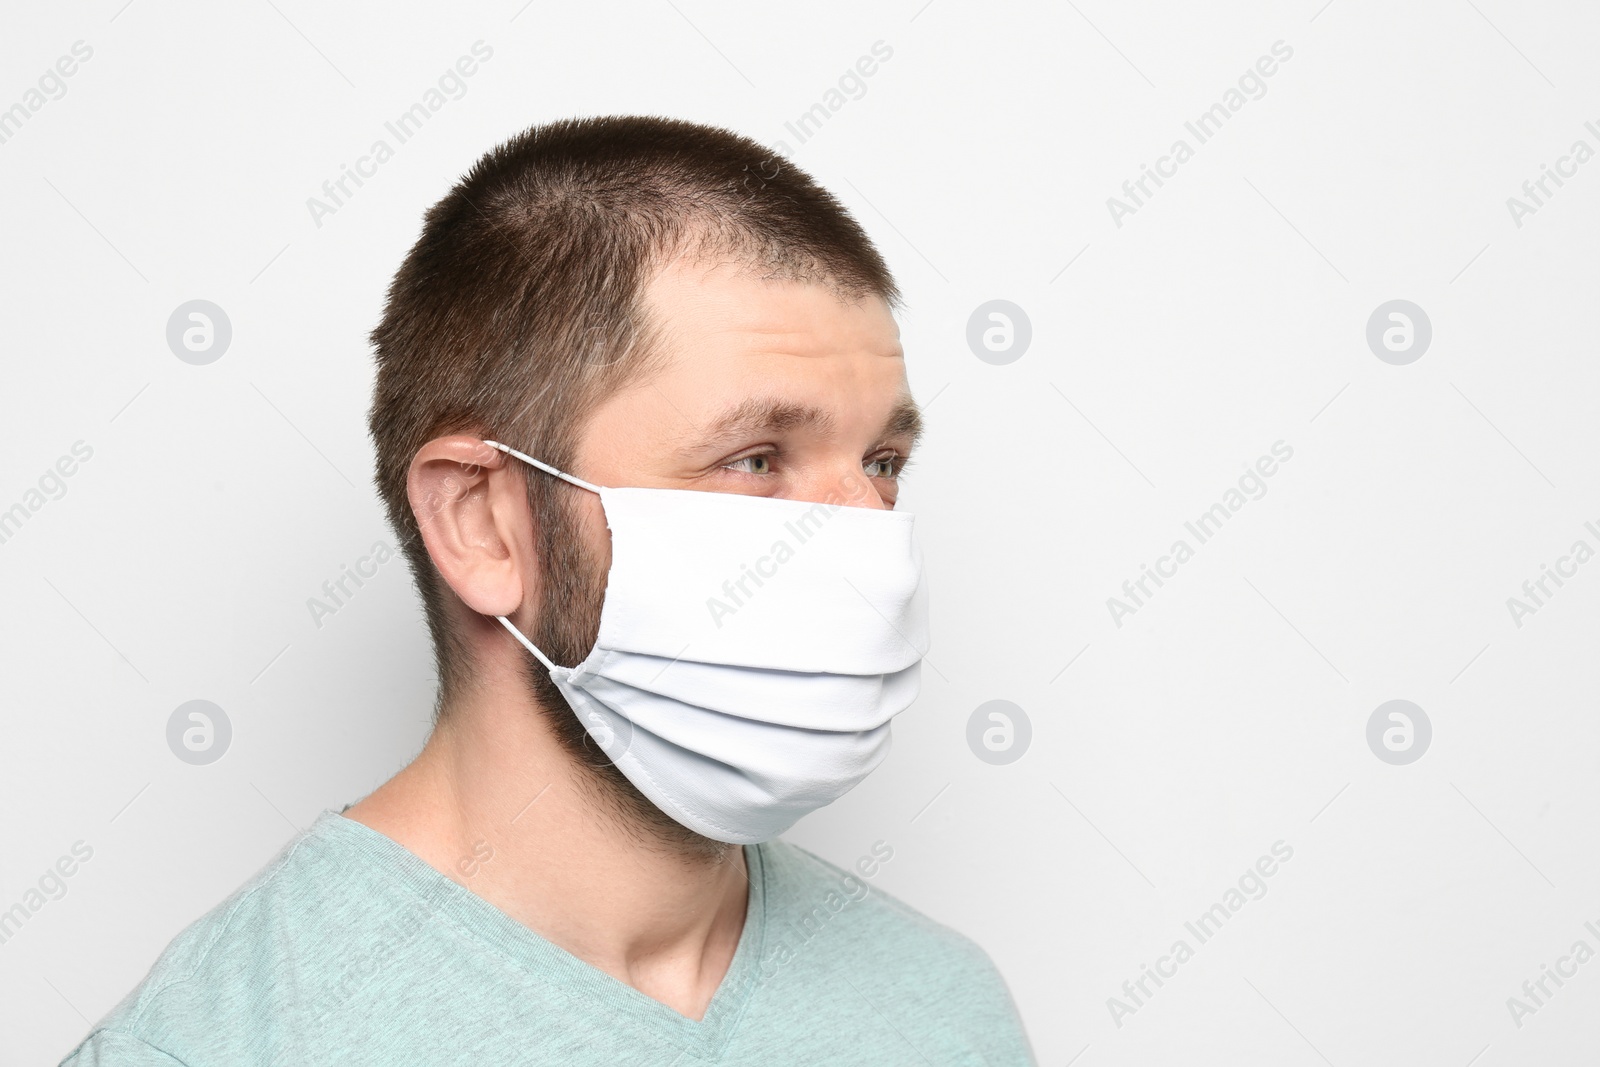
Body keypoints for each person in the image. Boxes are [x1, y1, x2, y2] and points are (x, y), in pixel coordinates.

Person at [63, 115, 1035, 1066]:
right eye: (753, 457)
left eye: (881, 459)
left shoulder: (944, 1008)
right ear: (481, 524)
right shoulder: (216, 1043)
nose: (867, 531)